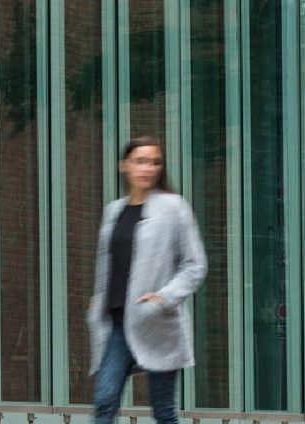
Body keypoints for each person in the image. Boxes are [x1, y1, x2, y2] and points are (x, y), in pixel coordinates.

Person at [87, 136, 207, 424]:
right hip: (117, 323)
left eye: (154, 162)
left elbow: (195, 265)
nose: (148, 168)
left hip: (156, 322)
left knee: (163, 410)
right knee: (105, 400)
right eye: (140, 161)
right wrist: (98, 299)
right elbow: (108, 263)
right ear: (124, 165)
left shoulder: (173, 207)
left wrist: (164, 297)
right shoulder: (113, 211)